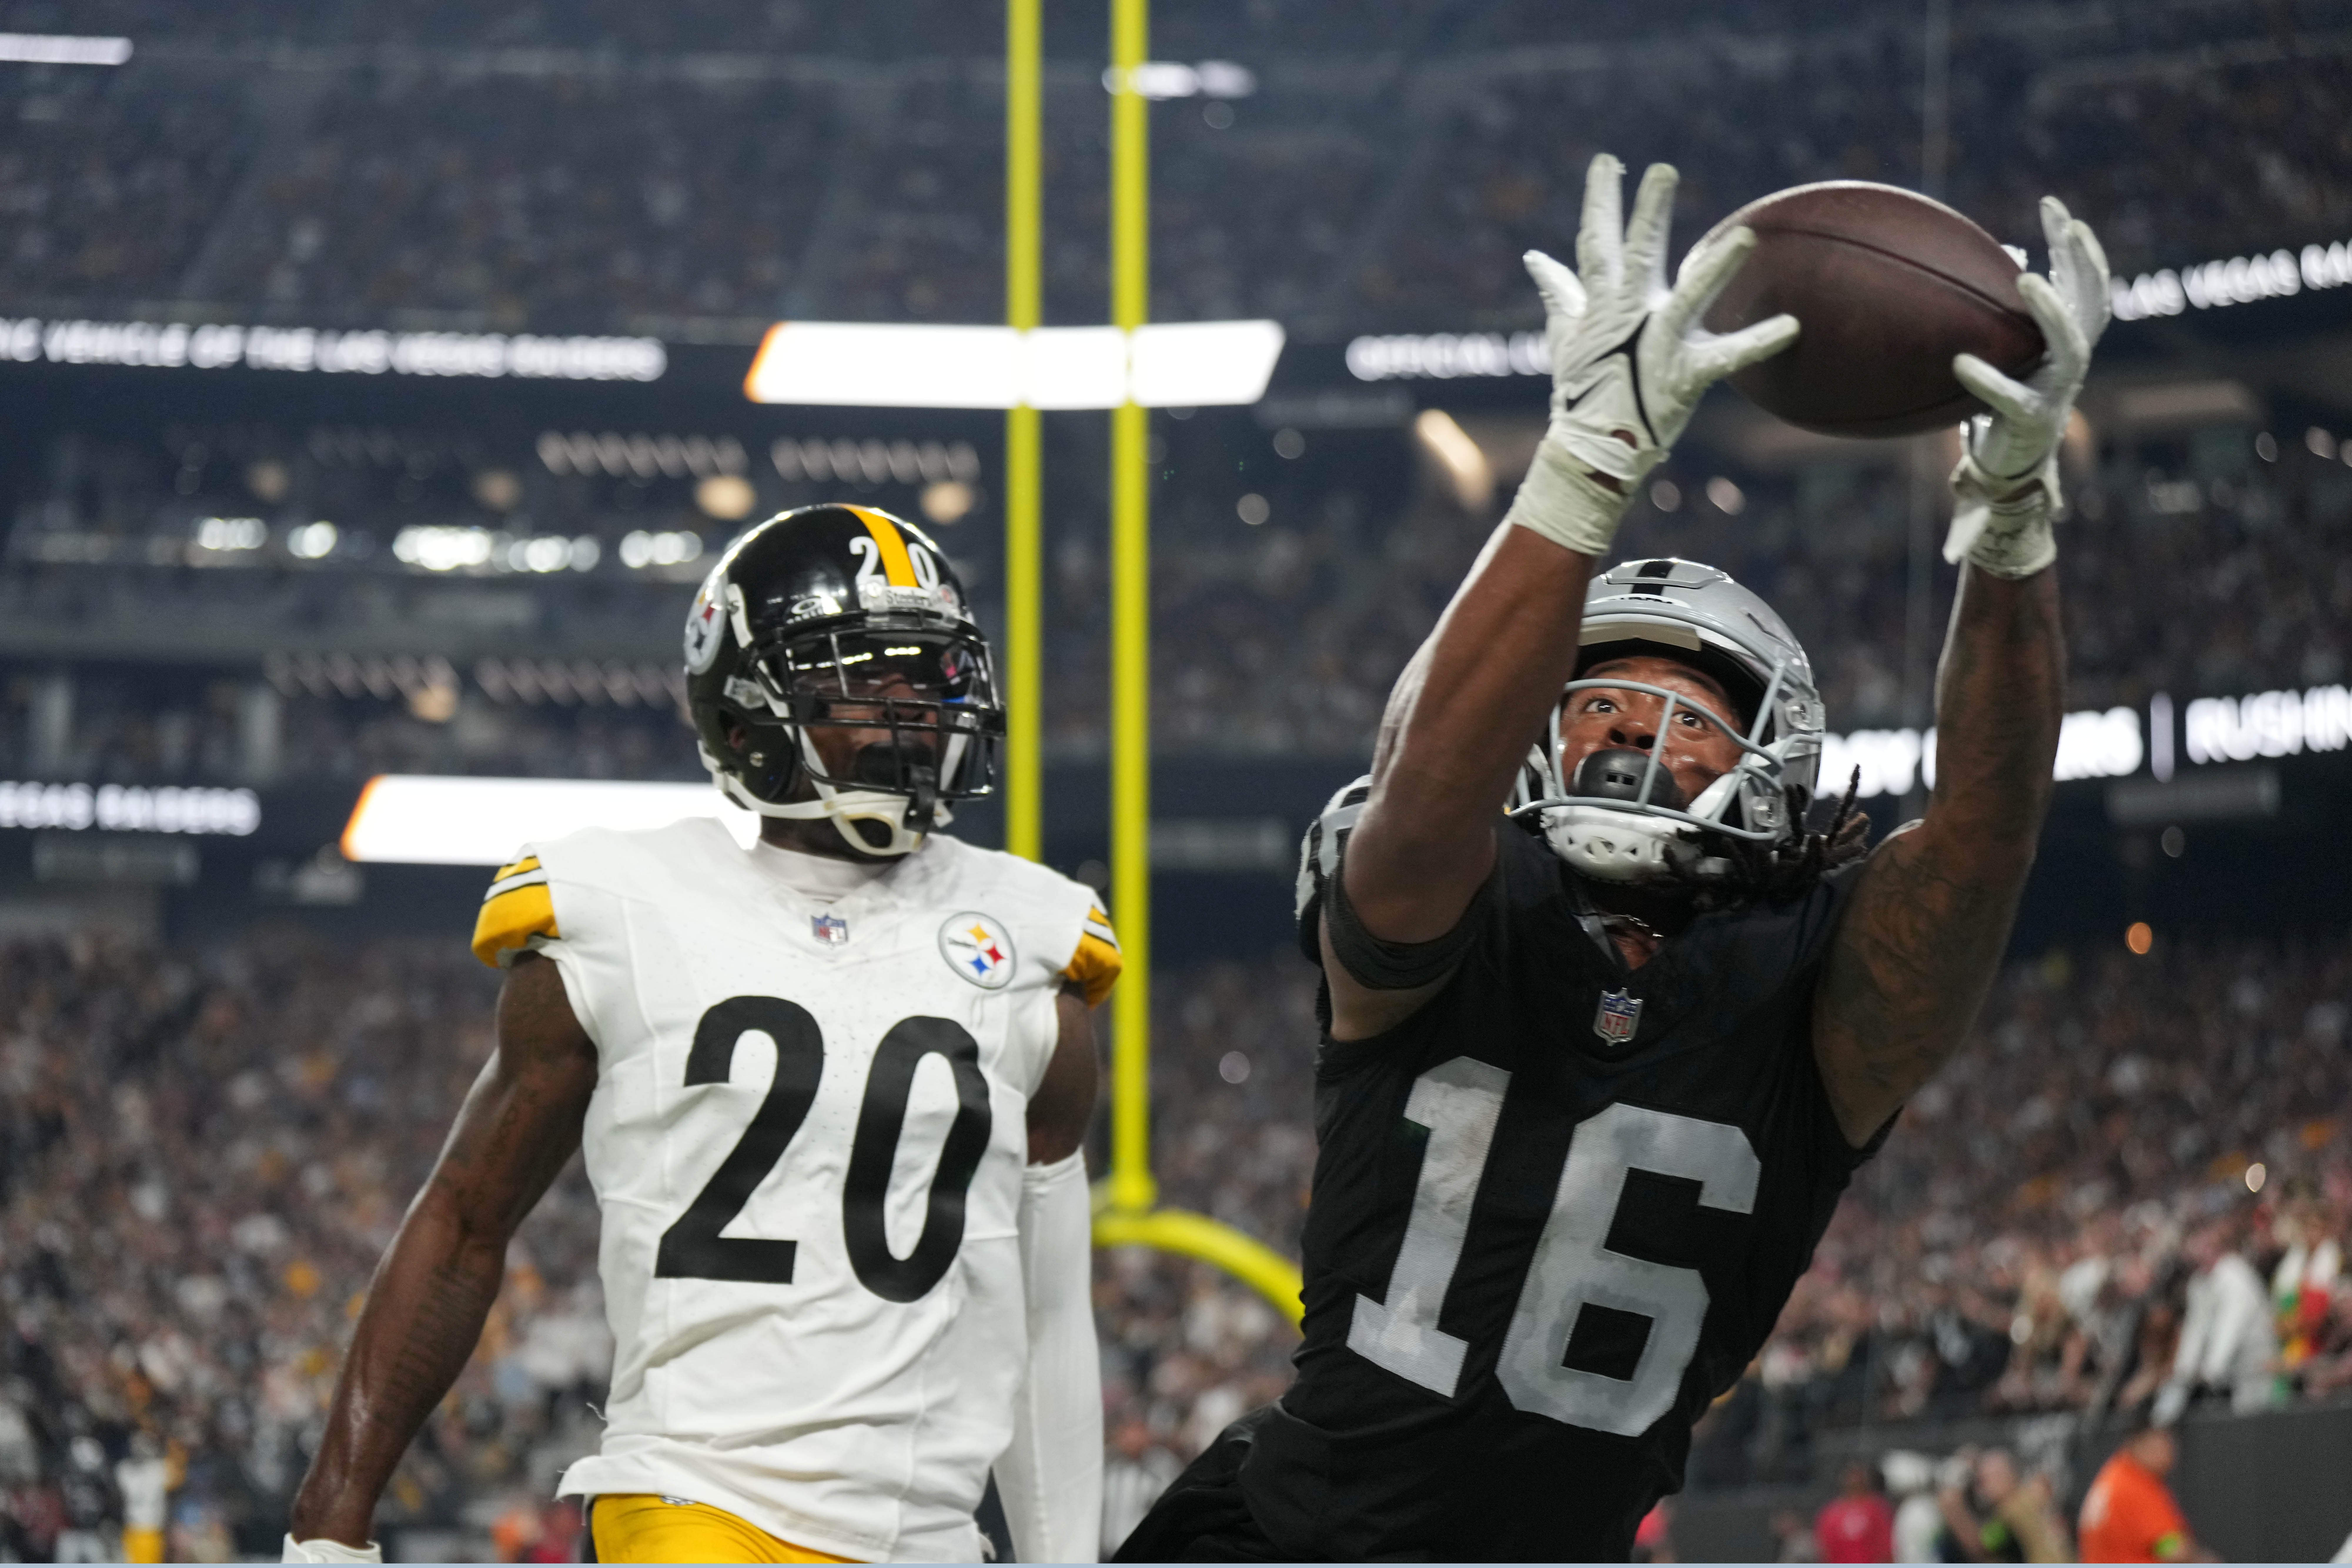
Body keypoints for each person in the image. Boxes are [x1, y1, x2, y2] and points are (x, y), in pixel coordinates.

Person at [1117, 153, 2109, 1560]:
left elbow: (1983, 837)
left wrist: (2010, 524)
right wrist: (1586, 463)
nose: (1636, 737)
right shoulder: (1469, 900)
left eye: (1688, 718)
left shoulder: (1807, 994)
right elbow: (1416, 803)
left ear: (1772, 764)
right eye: (1596, 702)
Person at [282, 505, 1116, 1564]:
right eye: (864, 672)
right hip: (692, 1500)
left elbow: (1041, 1306)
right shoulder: (621, 903)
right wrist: (329, 1523)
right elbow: (461, 1223)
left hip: (932, 1534)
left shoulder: (1034, 937)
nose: (913, 702)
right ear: (749, 702)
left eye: (928, 671)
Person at [2156, 1214, 2279, 1420]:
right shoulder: (2198, 1284)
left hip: (2257, 1369)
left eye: (2203, 1243)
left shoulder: (2235, 1276)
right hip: (2230, 1375)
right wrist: (2183, 1373)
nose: (2198, 1250)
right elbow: (2194, 1330)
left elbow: (2230, 1327)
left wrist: (2211, 1370)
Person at [2078, 1425, 2211, 1562]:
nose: (2170, 1453)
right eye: (2163, 1443)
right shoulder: (2135, 1485)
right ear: (2142, 1443)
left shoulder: (2114, 1474)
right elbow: (2172, 1550)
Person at [1816, 1460, 1894, 1563]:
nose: (1855, 1480)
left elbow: (1887, 1550)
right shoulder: (1831, 1515)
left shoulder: (1878, 1510)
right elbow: (1825, 1552)